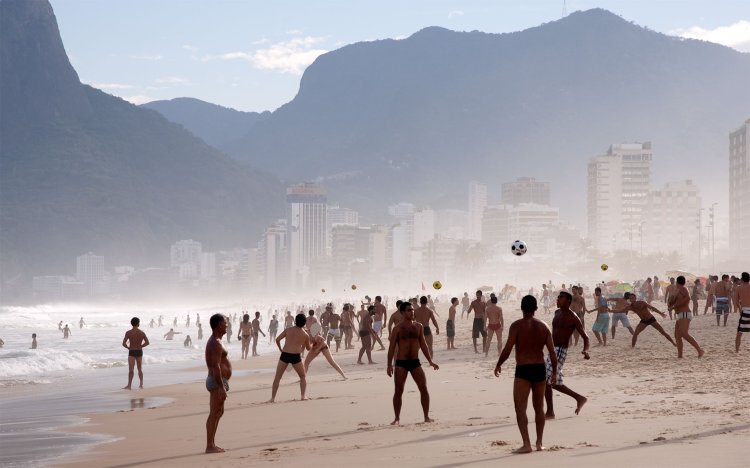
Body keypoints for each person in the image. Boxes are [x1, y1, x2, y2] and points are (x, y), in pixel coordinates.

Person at [494, 295, 556, 453]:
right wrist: (554, 372)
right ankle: (539, 443)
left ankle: (527, 444)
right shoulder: (543, 326)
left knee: (520, 409)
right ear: (536, 308)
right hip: (539, 369)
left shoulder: (516, 326)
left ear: (522, 308)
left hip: (523, 370)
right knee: (539, 408)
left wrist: (498, 364)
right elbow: (552, 352)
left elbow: (507, 349)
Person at [387, 301, 439, 425]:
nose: (412, 312)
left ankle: (426, 416)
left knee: (423, 389)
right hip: (401, 363)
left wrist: (430, 361)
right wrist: (389, 365)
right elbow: (392, 348)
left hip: (415, 362)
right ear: (403, 312)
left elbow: (423, 344)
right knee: (398, 391)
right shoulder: (397, 329)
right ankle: (397, 418)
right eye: (409, 310)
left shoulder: (419, 326)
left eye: (412, 310)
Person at [545, 291, 590, 419]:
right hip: (552, 349)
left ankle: (550, 412)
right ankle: (579, 398)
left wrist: (585, 350)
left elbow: (586, 337)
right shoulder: (557, 313)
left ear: (569, 301)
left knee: (546, 381)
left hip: (560, 351)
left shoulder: (573, 317)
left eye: (561, 298)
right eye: (558, 297)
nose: (558, 299)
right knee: (550, 381)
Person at [269, 313, 311, 402]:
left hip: (285, 354)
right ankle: (303, 396)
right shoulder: (305, 334)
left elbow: (277, 339)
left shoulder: (288, 329)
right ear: (304, 323)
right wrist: (310, 342)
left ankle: (272, 398)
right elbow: (308, 348)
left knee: (277, 377)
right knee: (302, 376)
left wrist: (281, 349)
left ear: (295, 321)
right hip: (296, 356)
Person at [205, 314, 231, 453]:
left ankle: (212, 444)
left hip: (219, 381)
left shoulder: (218, 340)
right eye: (225, 323)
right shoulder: (215, 342)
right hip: (216, 382)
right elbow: (215, 367)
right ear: (219, 324)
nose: (227, 325)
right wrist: (221, 387)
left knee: (219, 412)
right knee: (214, 413)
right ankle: (210, 445)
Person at [610, 293, 676, 348]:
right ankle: (632, 347)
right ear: (629, 300)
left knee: (662, 332)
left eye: (632, 298)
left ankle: (673, 343)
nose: (631, 299)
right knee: (635, 334)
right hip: (643, 321)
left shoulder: (642, 302)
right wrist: (610, 310)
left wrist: (660, 313)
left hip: (651, 319)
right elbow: (620, 310)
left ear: (635, 298)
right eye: (630, 298)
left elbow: (652, 308)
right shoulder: (630, 307)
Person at [669, 276, 704, 358]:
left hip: (685, 313)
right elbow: (673, 302)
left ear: (677, 282)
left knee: (684, 334)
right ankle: (680, 355)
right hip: (680, 314)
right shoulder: (678, 290)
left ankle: (699, 350)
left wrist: (675, 306)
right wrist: (672, 304)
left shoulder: (683, 289)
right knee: (677, 336)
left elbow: (687, 298)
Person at [122, 317, 150, 390]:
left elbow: (124, 343)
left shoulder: (128, 333)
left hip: (131, 351)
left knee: (131, 370)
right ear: (138, 324)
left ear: (131, 323)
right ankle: (141, 385)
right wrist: (141, 346)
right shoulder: (141, 332)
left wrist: (128, 347)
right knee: (139, 369)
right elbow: (147, 342)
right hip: (139, 351)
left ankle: (129, 386)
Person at [733, 272, 750, 352]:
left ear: (742, 279)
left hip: (744, 311)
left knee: (739, 333)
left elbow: (736, 302)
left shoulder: (739, 288)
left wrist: (740, 310)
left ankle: (737, 350)